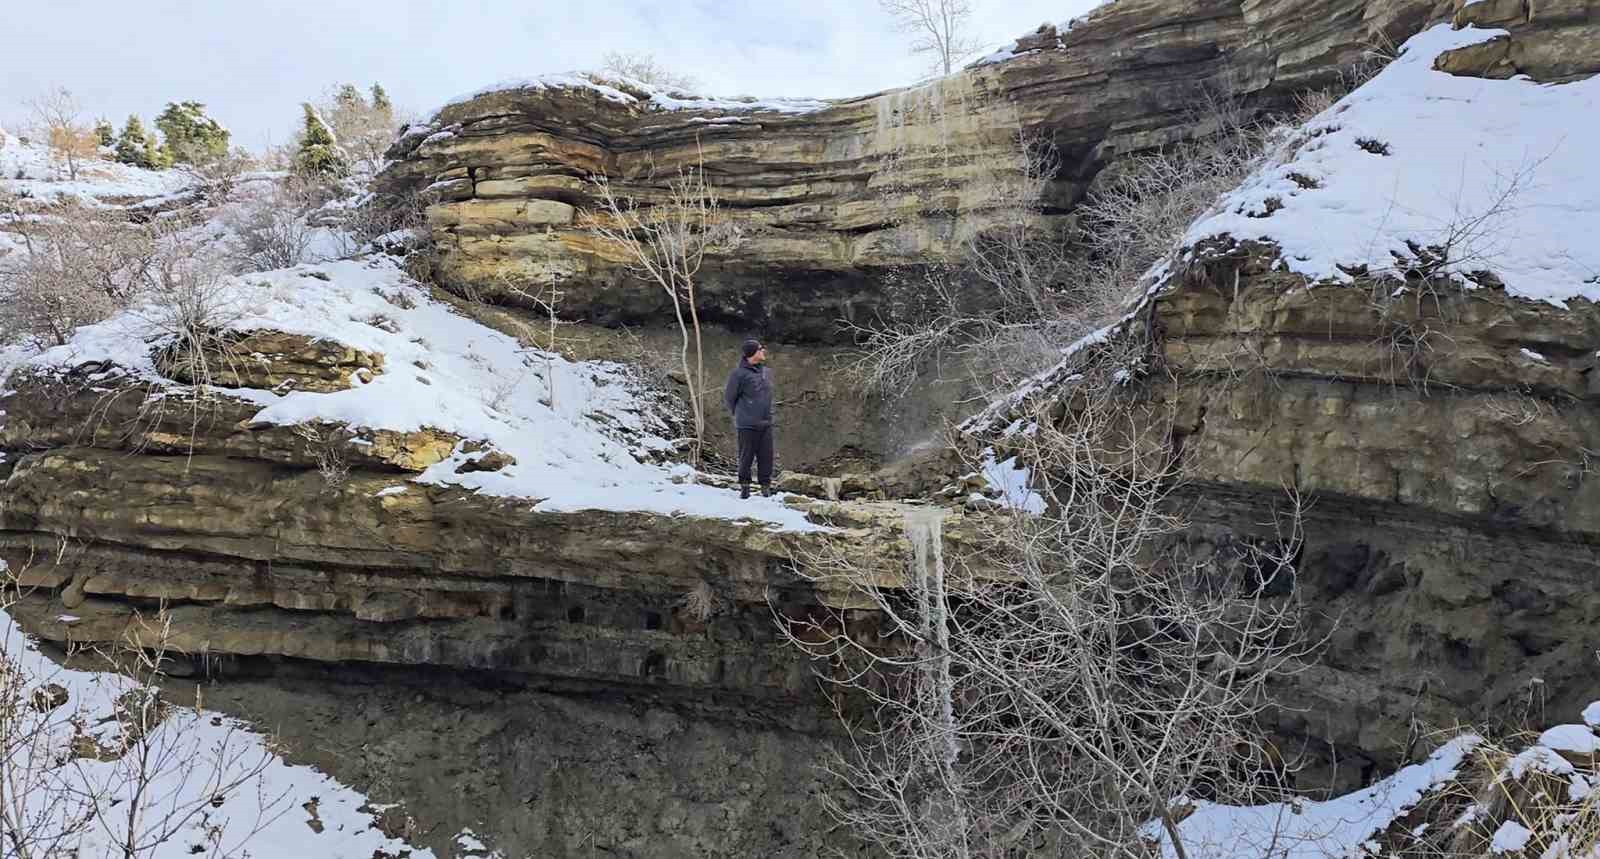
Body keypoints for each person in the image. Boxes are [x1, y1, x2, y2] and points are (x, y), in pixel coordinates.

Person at [723, 339, 775, 499]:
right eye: (760, 349)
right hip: (747, 424)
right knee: (746, 456)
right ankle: (744, 487)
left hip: (766, 422)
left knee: (767, 456)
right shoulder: (738, 374)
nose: (763, 351)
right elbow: (729, 397)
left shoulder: (766, 372)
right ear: (752, 353)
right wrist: (742, 414)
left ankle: (765, 487)